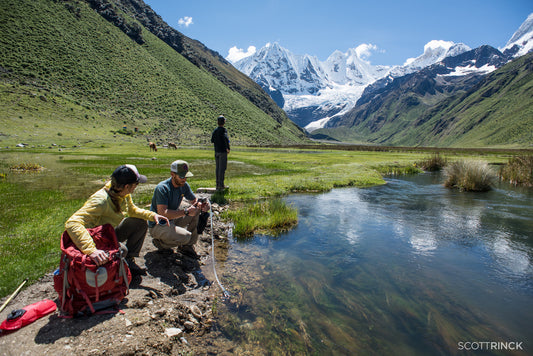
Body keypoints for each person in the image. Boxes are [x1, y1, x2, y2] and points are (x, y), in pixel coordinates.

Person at [65, 164, 168, 275]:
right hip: (96, 238)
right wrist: (91, 250)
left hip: (109, 232)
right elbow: (73, 222)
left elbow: (132, 210)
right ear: (127, 186)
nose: (136, 187)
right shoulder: (101, 201)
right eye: (136, 184)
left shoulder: (122, 193)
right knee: (122, 250)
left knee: (139, 223)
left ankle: (128, 261)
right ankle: (115, 268)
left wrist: (153, 216)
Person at [148, 160, 209, 257]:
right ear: (172, 174)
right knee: (186, 236)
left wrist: (202, 206)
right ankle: (162, 244)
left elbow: (194, 201)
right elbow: (162, 213)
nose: (184, 179)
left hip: (172, 220)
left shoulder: (184, 186)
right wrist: (186, 212)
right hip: (158, 224)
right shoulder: (162, 188)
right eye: (181, 176)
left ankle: (188, 246)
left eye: (186, 176)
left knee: (196, 212)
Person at [211, 115, 230, 191]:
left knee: (218, 168)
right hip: (222, 152)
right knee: (222, 168)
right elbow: (226, 139)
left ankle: (217, 184)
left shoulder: (215, 130)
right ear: (224, 122)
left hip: (216, 151)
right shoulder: (224, 130)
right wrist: (227, 148)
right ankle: (221, 185)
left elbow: (212, 140)